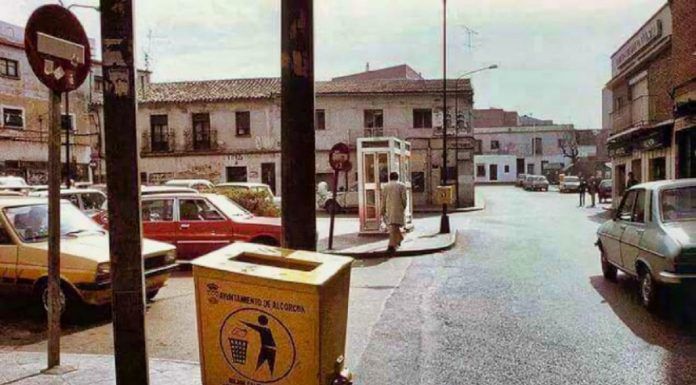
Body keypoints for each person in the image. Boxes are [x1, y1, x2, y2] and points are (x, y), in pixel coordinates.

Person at [381, 171, 407, 254]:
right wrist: (403, 207)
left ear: (390, 177)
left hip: (389, 208)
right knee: (394, 226)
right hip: (398, 208)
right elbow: (404, 199)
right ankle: (395, 242)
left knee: (393, 226)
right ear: (397, 177)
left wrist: (383, 209)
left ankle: (391, 245)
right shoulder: (402, 186)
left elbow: (383, 199)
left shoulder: (385, 186)